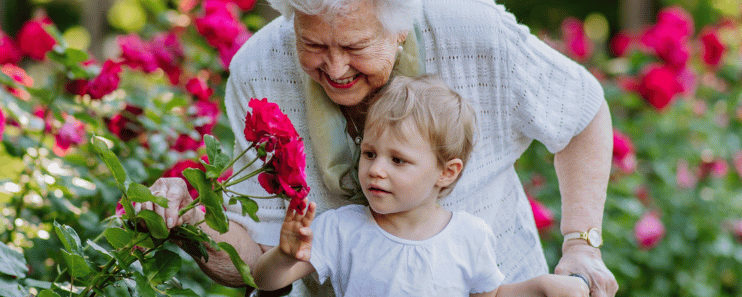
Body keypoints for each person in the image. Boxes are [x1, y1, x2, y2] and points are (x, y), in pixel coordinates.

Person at [134, 0, 618, 296]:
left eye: (356, 46)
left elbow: (581, 112)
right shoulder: (259, 69)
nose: (336, 68)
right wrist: (191, 220)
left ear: (400, 25)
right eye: (313, 44)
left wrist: (581, 244)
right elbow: (260, 260)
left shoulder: (472, 28)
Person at [252, 76, 590, 297]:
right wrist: (284, 256)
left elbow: (493, 295)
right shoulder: (342, 228)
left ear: (446, 172)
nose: (376, 170)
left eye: (398, 160)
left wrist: (543, 287)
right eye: (369, 154)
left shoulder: (469, 236)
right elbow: (266, 281)